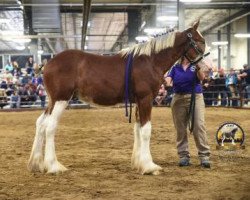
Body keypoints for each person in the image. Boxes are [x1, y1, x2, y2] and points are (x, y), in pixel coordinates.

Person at [166, 56, 211, 168]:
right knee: (180, 128)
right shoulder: (175, 67)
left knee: (198, 126)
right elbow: (168, 82)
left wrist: (198, 68)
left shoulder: (195, 65)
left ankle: (204, 155)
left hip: (195, 97)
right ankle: (183, 156)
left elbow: (201, 78)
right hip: (178, 98)